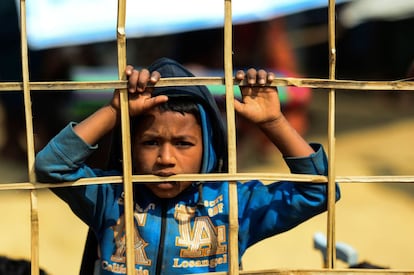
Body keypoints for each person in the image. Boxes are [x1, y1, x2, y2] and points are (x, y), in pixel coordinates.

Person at [35, 57, 340, 274]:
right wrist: (115, 112)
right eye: (150, 142)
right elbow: (50, 166)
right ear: (129, 147)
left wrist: (274, 122)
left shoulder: (234, 202)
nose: (166, 158)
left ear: (208, 147)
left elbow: (319, 192)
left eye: (183, 144)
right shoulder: (110, 196)